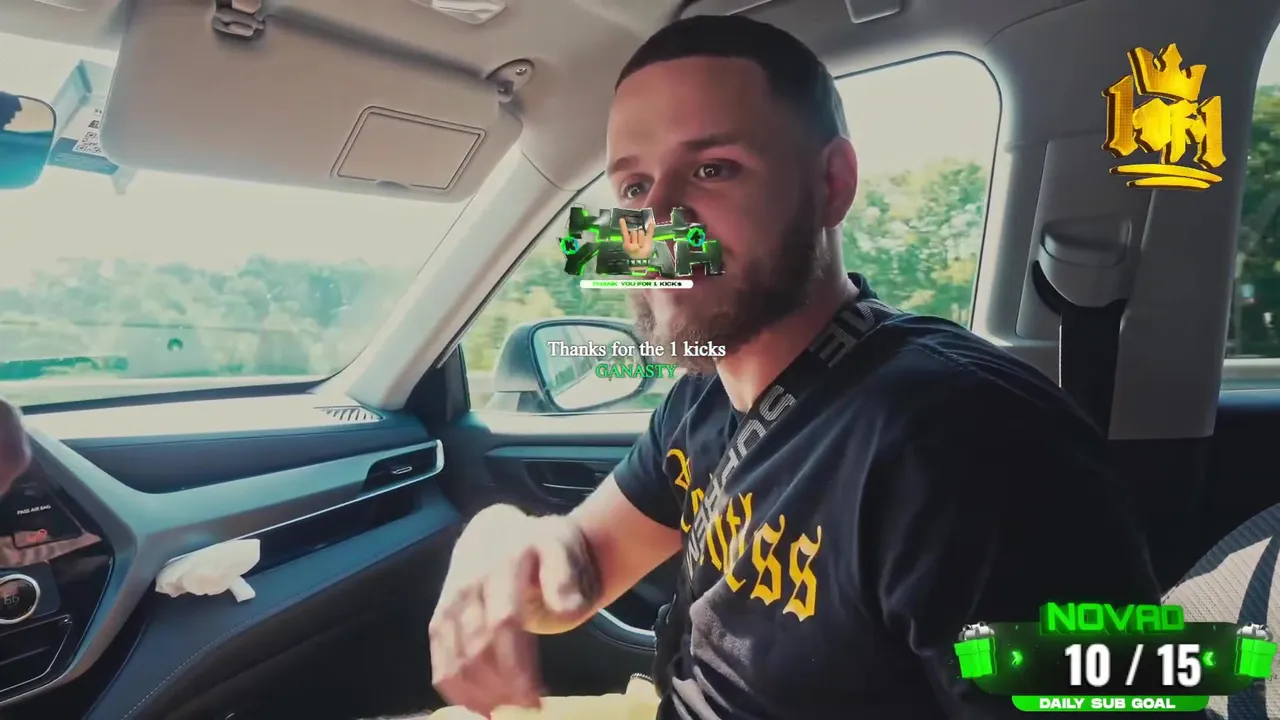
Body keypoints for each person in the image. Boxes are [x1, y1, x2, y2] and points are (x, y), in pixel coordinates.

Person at [421, 14, 1164, 720]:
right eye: (635, 188)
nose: (659, 226)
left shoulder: (974, 441)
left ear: (832, 184)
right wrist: (500, 535)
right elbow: (583, 564)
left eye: (712, 168)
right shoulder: (699, 398)